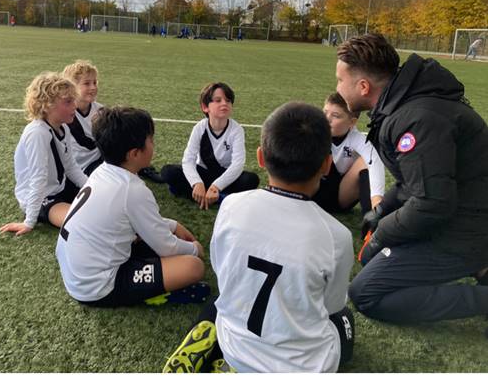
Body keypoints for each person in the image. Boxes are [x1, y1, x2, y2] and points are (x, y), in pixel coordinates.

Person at [163, 102, 355, 373]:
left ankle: (209, 342)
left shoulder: (232, 206)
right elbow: (331, 305)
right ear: (326, 165)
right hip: (294, 366)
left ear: (261, 157)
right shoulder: (337, 235)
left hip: (234, 342)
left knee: (225, 295)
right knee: (344, 319)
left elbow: (222, 270)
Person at [335, 33, 488, 324]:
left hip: (468, 225)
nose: (337, 88)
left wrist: (382, 233)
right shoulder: (406, 105)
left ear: (364, 86)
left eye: (340, 80)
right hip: (465, 212)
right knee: (372, 257)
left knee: (366, 293)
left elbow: (432, 202)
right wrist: (381, 212)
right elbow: (415, 183)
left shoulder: (417, 117)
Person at [55, 106, 210, 308]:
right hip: (97, 286)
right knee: (193, 267)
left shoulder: (104, 170)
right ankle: (154, 296)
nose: (154, 145)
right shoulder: (131, 189)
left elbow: (144, 225)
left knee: (152, 242)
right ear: (134, 154)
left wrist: (172, 225)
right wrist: (194, 249)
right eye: (151, 140)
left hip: (79, 271)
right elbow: (166, 246)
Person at [0, 72, 88, 236]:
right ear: (47, 105)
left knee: (104, 203)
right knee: (85, 222)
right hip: (43, 198)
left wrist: (94, 189)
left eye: (73, 100)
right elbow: (38, 178)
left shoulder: (64, 127)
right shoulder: (37, 133)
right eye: (68, 102)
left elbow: (71, 167)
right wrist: (29, 222)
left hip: (60, 186)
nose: (74, 106)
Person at [161, 82, 260, 209]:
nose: (224, 103)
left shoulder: (236, 130)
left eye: (228, 100)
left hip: (224, 176)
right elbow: (188, 160)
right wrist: (196, 182)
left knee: (251, 180)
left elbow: (237, 164)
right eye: (218, 100)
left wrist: (216, 186)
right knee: (168, 172)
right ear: (205, 107)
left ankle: (202, 194)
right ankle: (216, 196)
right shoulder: (199, 128)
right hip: (202, 173)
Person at [312, 92, 385, 220]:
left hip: (340, 197)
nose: (327, 119)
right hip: (311, 195)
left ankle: (370, 219)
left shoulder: (357, 139)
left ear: (352, 122)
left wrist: (377, 200)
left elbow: (375, 162)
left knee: (366, 162)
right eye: (325, 112)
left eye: (335, 115)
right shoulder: (315, 131)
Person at [62, 60, 104, 176]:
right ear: (72, 87)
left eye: (95, 83)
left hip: (102, 160)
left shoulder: (101, 110)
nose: (93, 87)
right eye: (87, 83)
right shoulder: (65, 114)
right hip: (81, 168)